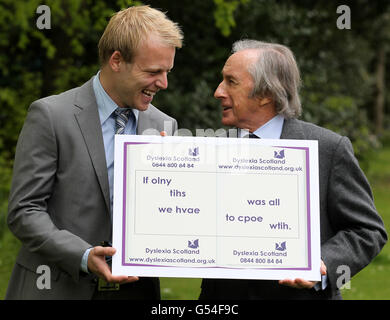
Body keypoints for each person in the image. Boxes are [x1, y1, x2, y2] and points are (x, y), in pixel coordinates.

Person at [6, 5, 183, 300]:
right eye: (153, 71)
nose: (163, 83)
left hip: (136, 291)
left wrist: (171, 185)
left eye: (167, 71)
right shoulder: (51, 116)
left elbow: (165, 218)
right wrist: (83, 255)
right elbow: (24, 211)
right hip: (57, 288)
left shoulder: (165, 125)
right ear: (116, 60)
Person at [199, 39, 387, 300]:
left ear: (265, 94)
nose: (218, 91)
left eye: (231, 81)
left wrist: (321, 265)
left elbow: (368, 231)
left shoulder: (328, 149)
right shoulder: (211, 151)